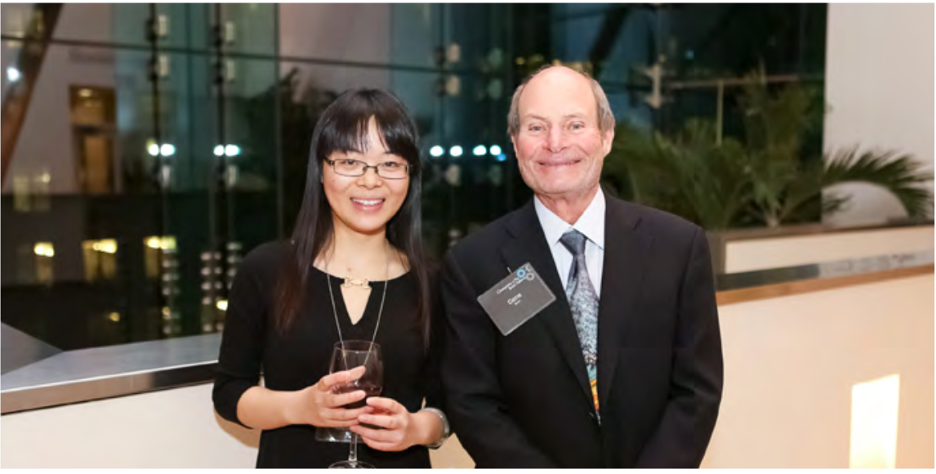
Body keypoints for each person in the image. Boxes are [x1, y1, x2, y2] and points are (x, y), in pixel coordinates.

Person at [440, 65, 723, 468]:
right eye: (536, 128)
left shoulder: (678, 247)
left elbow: (697, 391)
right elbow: (473, 403)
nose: (556, 144)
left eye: (574, 125)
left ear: (606, 137)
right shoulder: (474, 265)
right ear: (515, 143)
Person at [213, 88, 449, 468]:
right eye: (350, 162)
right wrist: (300, 406)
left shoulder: (434, 282)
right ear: (321, 170)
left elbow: (448, 405)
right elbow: (229, 393)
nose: (371, 181)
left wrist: (418, 429)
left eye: (390, 164)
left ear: (409, 176)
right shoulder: (267, 269)